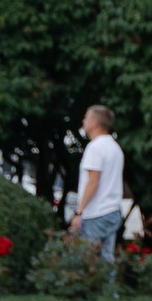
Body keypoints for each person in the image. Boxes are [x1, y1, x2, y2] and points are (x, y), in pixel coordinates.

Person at [67, 105, 125, 264]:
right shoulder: (114, 147)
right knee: (105, 261)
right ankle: (109, 290)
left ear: (95, 123)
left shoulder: (95, 147)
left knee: (87, 262)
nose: (83, 121)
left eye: (86, 117)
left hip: (96, 213)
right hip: (112, 211)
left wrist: (79, 212)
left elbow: (93, 182)